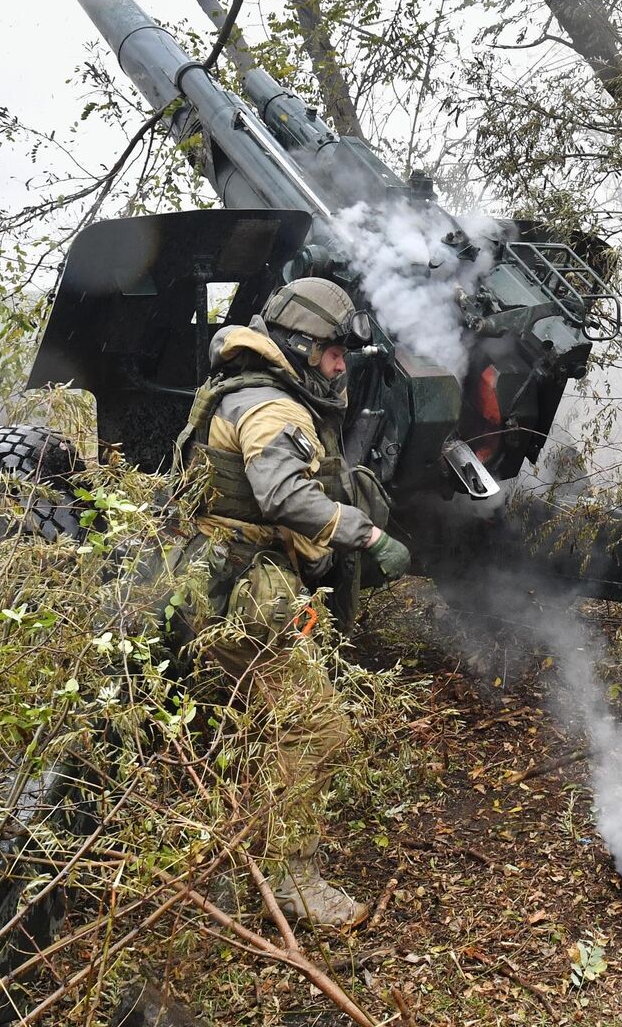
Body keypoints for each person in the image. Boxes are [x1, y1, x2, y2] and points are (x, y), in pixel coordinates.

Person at [170, 275, 411, 928]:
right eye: (334, 351)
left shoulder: (248, 391)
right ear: (303, 345)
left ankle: (224, 873)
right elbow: (281, 496)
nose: (341, 364)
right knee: (316, 729)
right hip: (242, 592)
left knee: (244, 733)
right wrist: (366, 533)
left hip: (222, 585)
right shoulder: (273, 408)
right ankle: (293, 879)